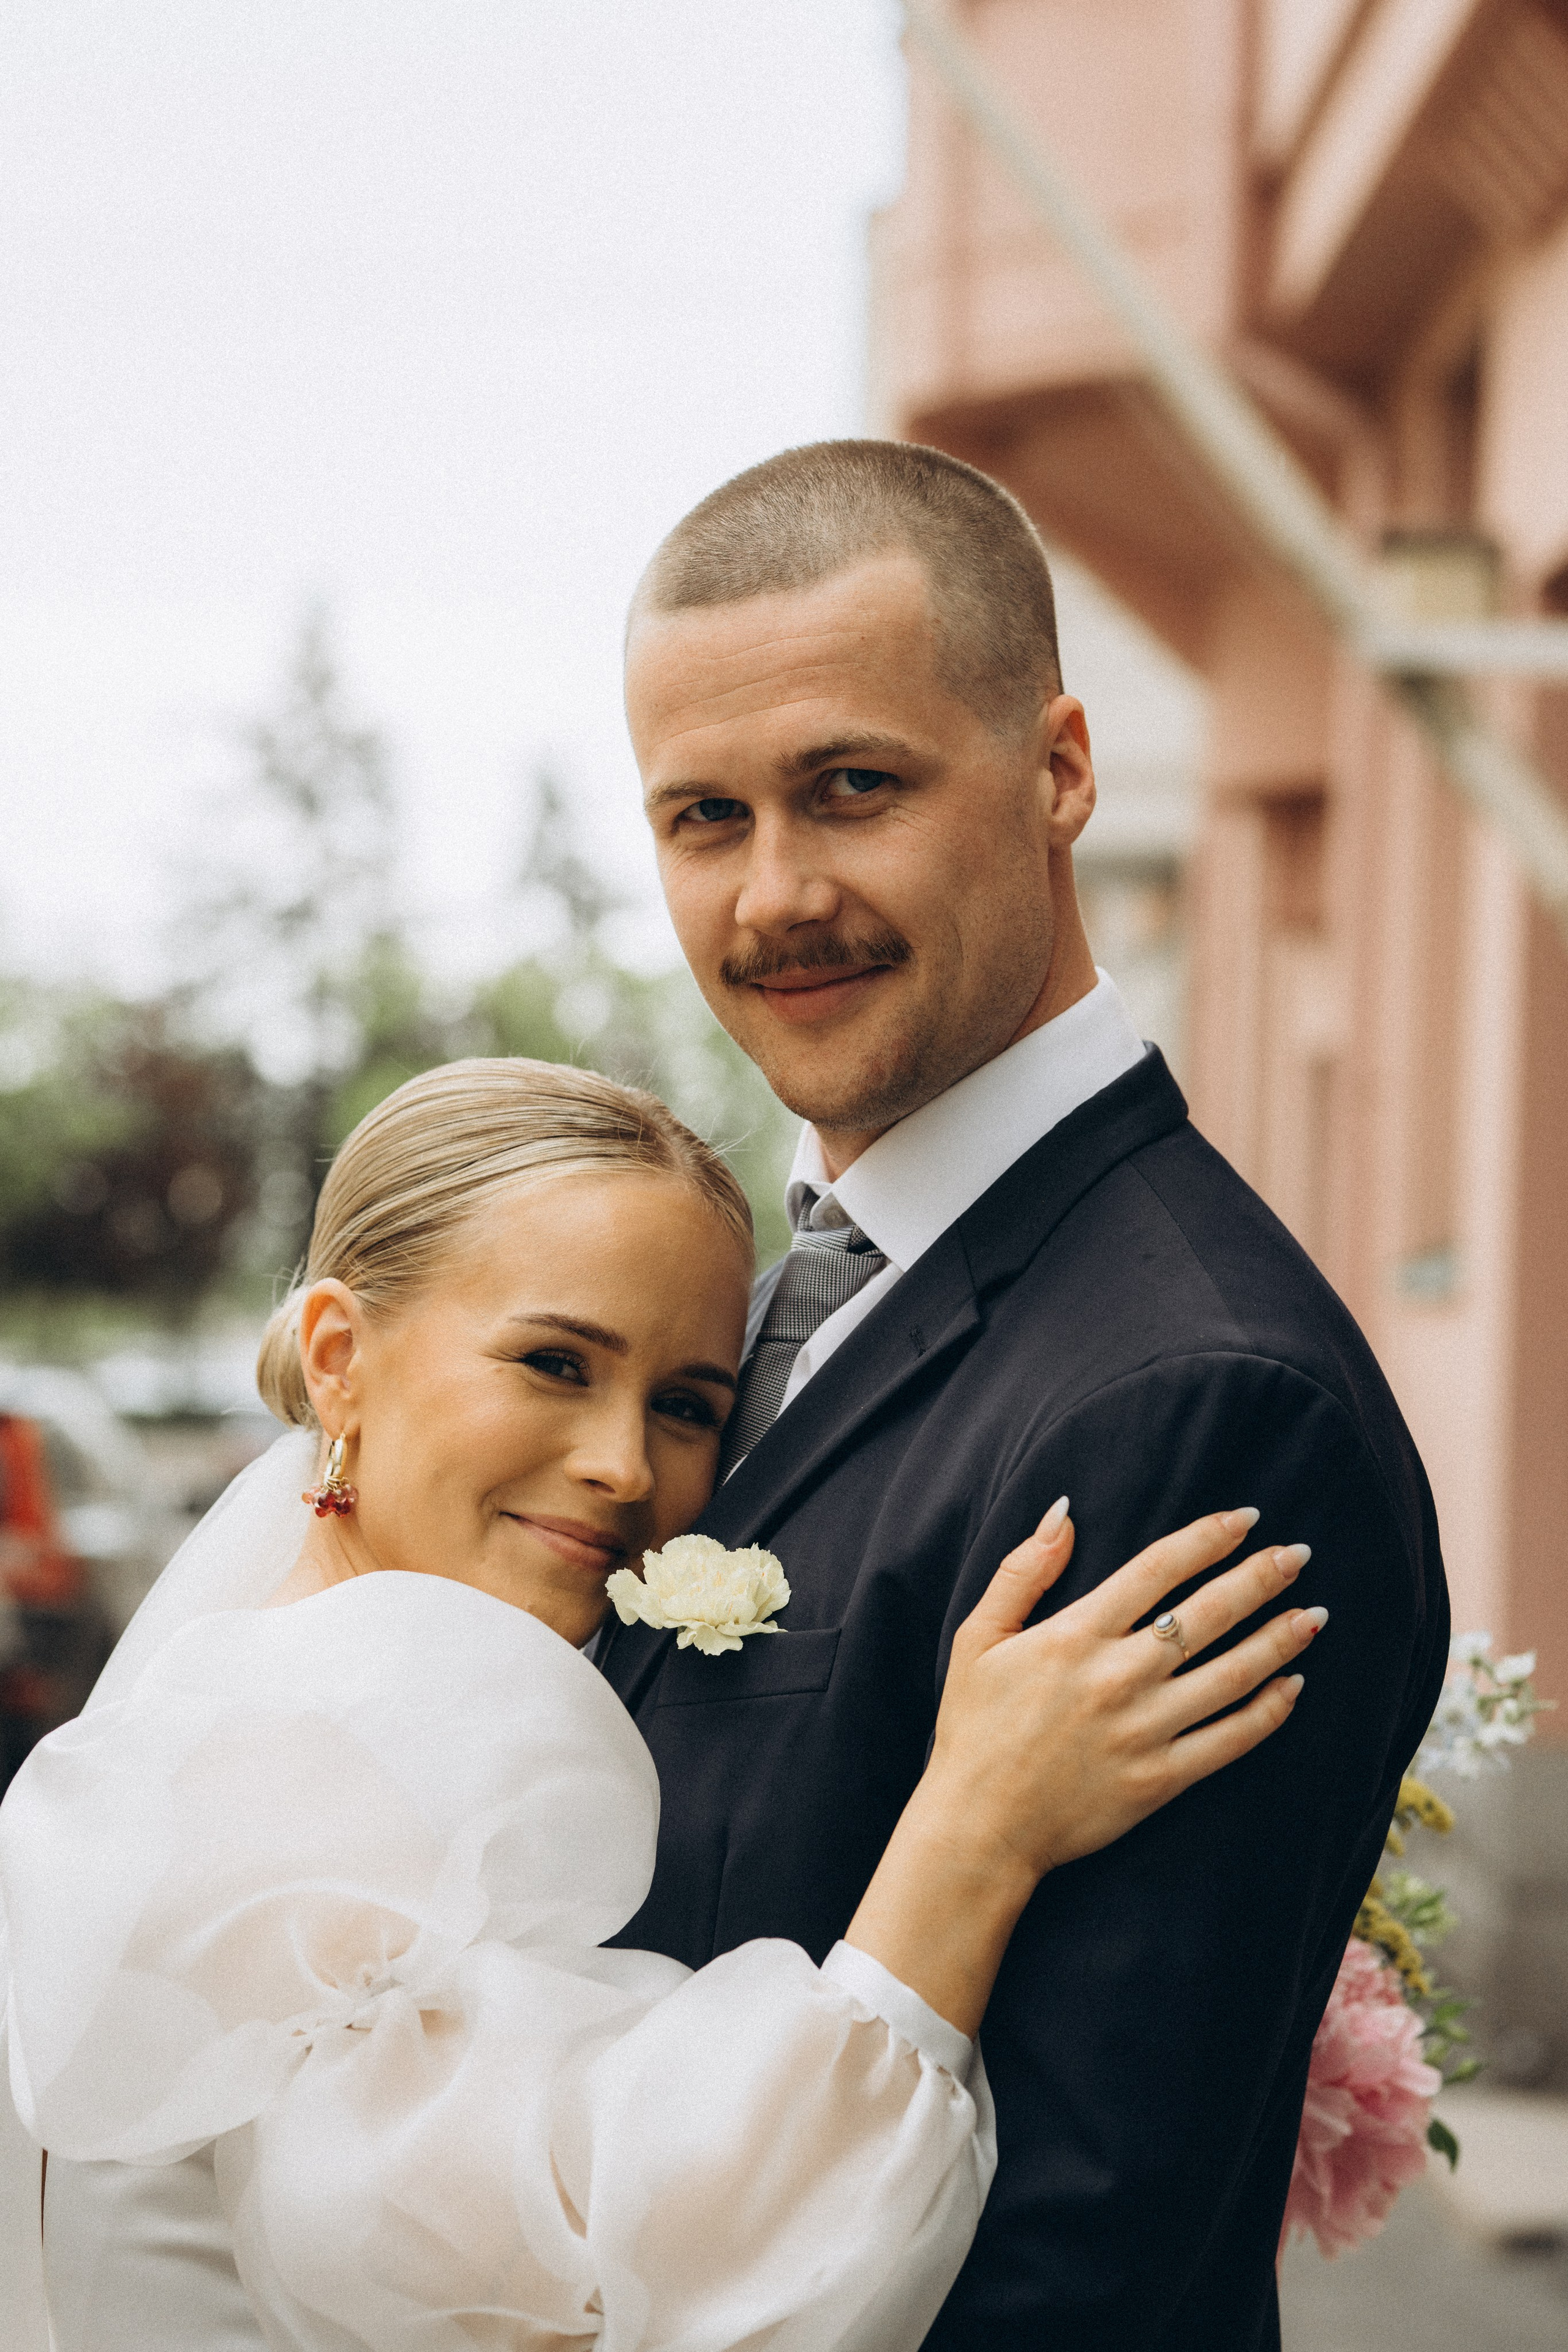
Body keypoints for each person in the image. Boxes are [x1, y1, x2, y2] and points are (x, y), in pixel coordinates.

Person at [0, 1060, 1319, 2352]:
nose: (623, 1466)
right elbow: (645, 2268)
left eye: (686, 1405)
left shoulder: (295, 1663)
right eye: (556, 1365)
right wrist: (974, 1836)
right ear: (340, 1358)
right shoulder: (326, 1738)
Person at [609, 440, 1452, 2351]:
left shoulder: (1197, 1401)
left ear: (1061, 769)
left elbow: (1082, 2262)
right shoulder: (730, 1313)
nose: (778, 895)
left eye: (854, 788)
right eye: (704, 818)